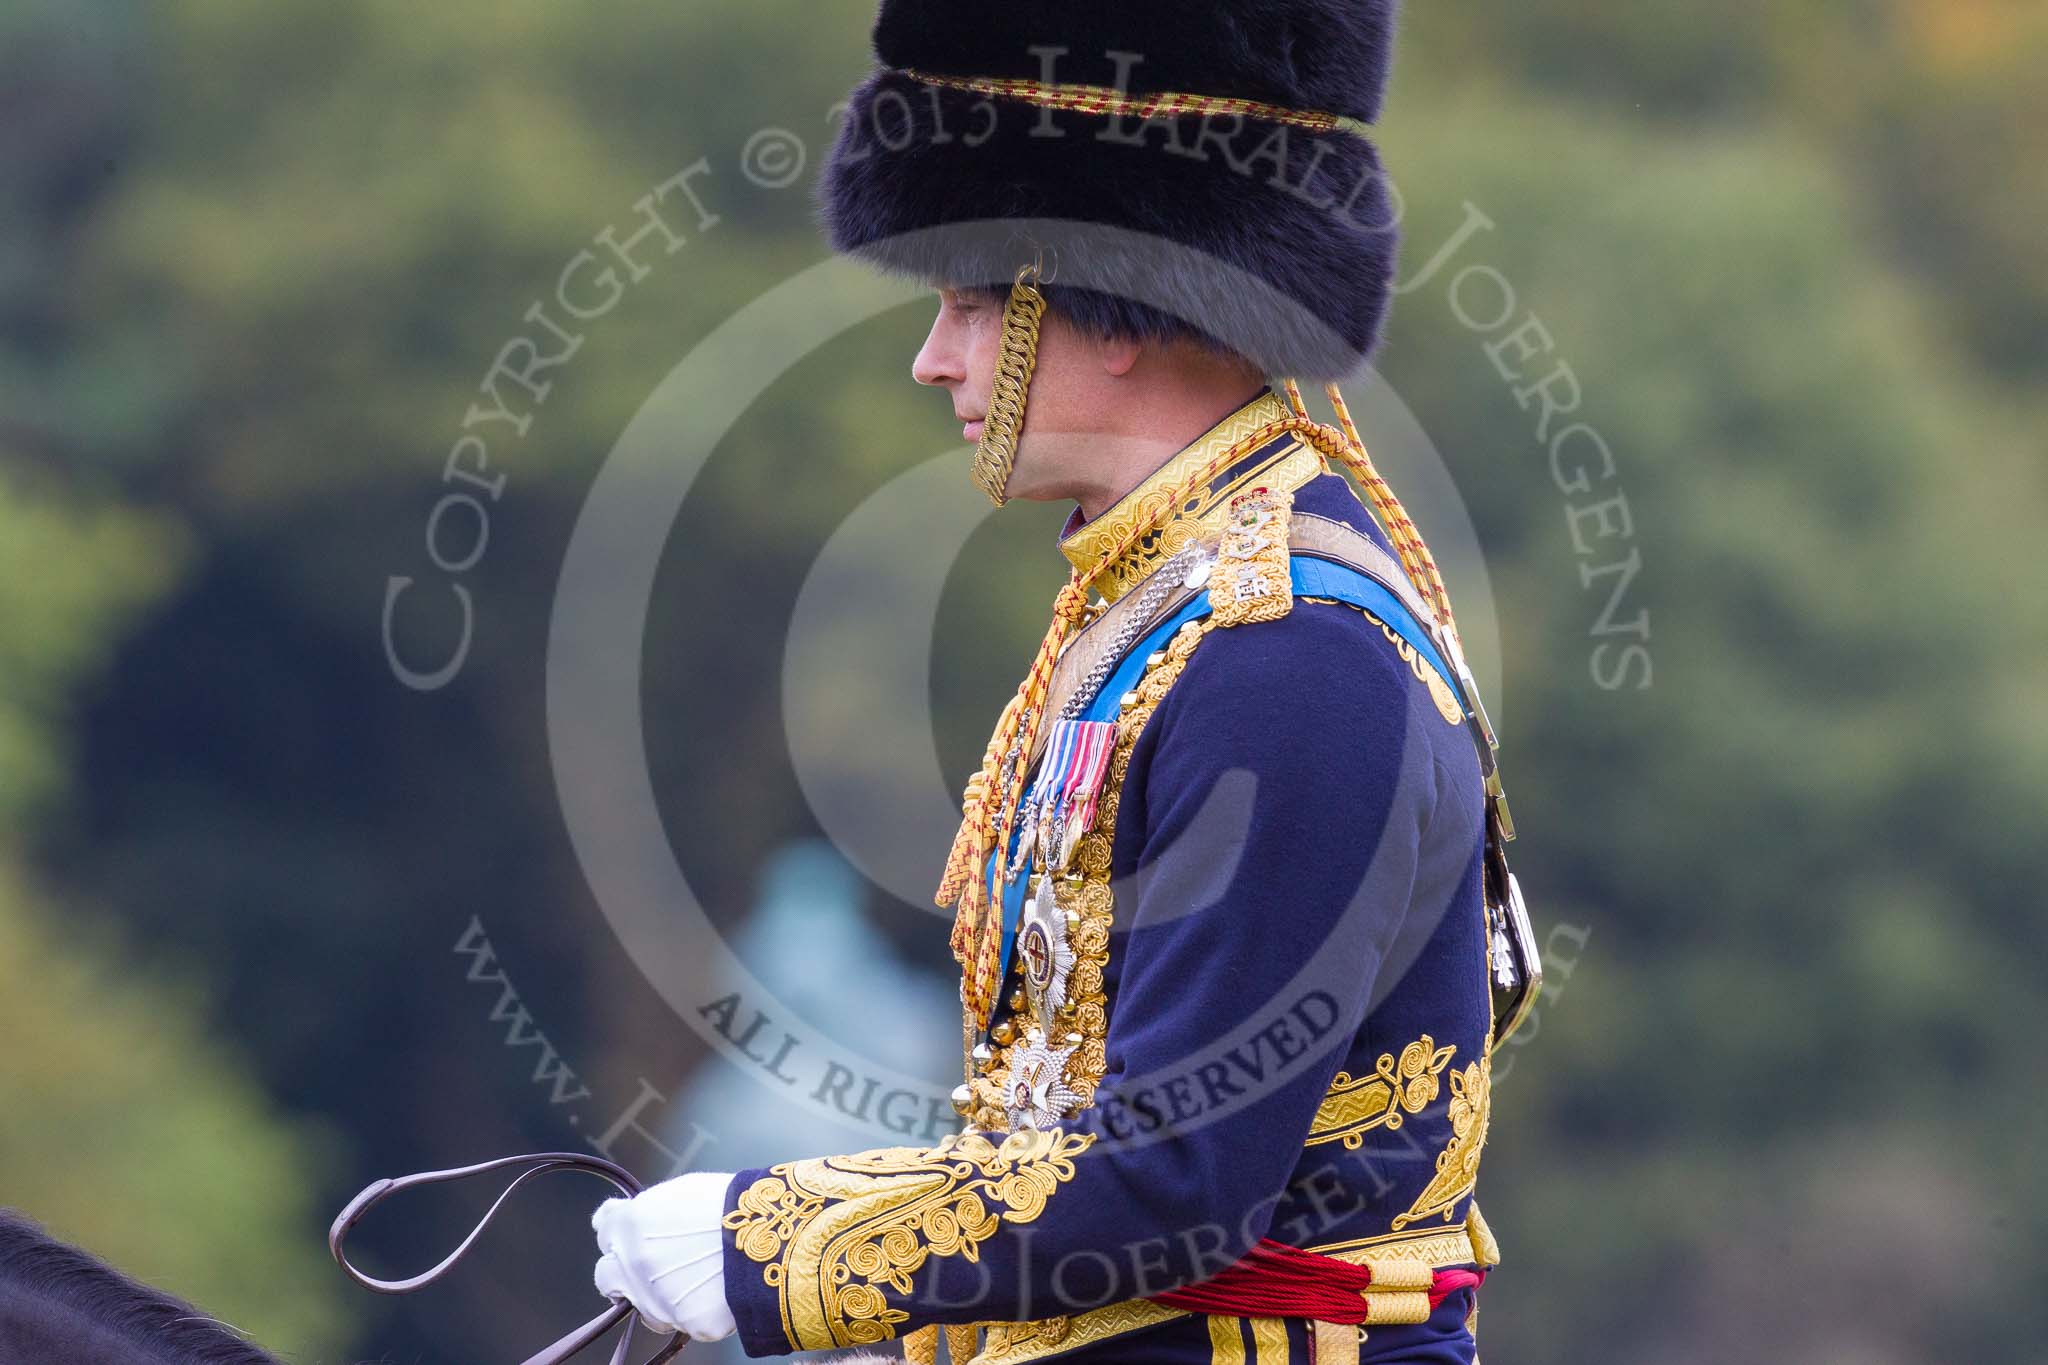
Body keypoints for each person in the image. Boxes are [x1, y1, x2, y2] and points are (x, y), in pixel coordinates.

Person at [591, 3, 1538, 1361]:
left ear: (1117, 304)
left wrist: (770, 1245)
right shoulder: (1160, 601)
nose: (936, 357)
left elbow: (1175, 1184)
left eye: (975, 301)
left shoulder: (1289, 654)